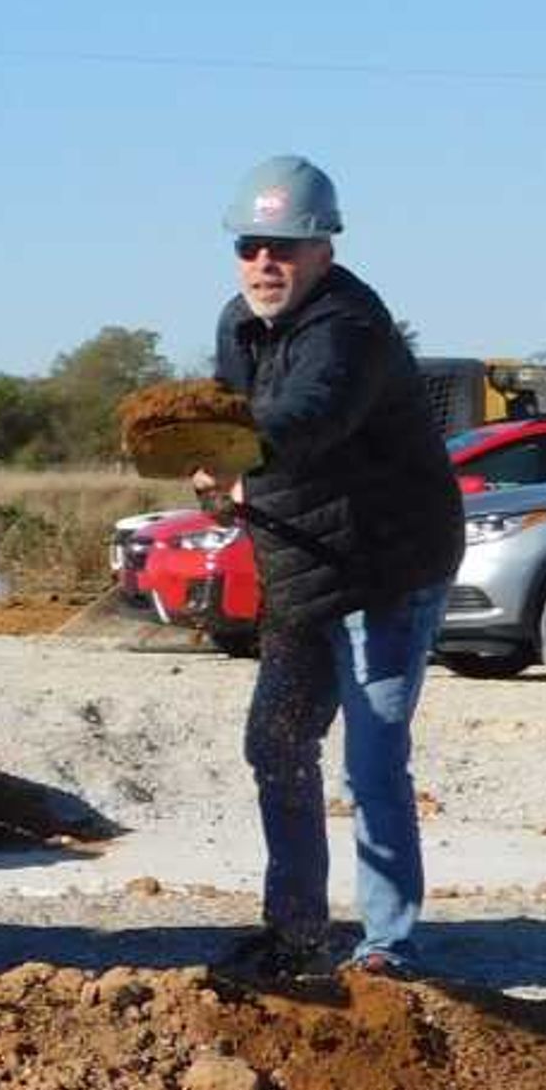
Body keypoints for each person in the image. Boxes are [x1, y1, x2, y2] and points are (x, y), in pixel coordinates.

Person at [193, 156, 462, 983]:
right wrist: (210, 468)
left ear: (324, 252)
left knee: (372, 760)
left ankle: (388, 947)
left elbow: (311, 412)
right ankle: (298, 932)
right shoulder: (237, 325)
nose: (265, 263)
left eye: (285, 247)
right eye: (251, 246)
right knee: (274, 743)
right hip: (304, 569)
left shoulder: (351, 327)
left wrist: (241, 451)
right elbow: (233, 421)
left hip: (387, 569)